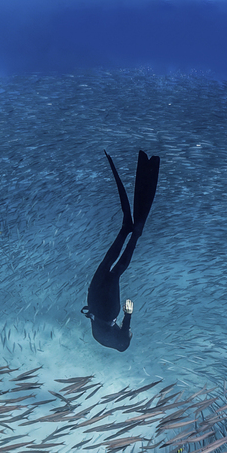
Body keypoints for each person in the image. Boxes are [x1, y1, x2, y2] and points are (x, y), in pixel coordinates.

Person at [82, 149, 160, 351]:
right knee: (109, 263)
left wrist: (128, 314)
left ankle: (135, 233)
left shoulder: (121, 342)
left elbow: (125, 335)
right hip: (93, 300)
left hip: (107, 310)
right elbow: (118, 334)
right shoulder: (100, 338)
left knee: (116, 271)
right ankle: (126, 230)